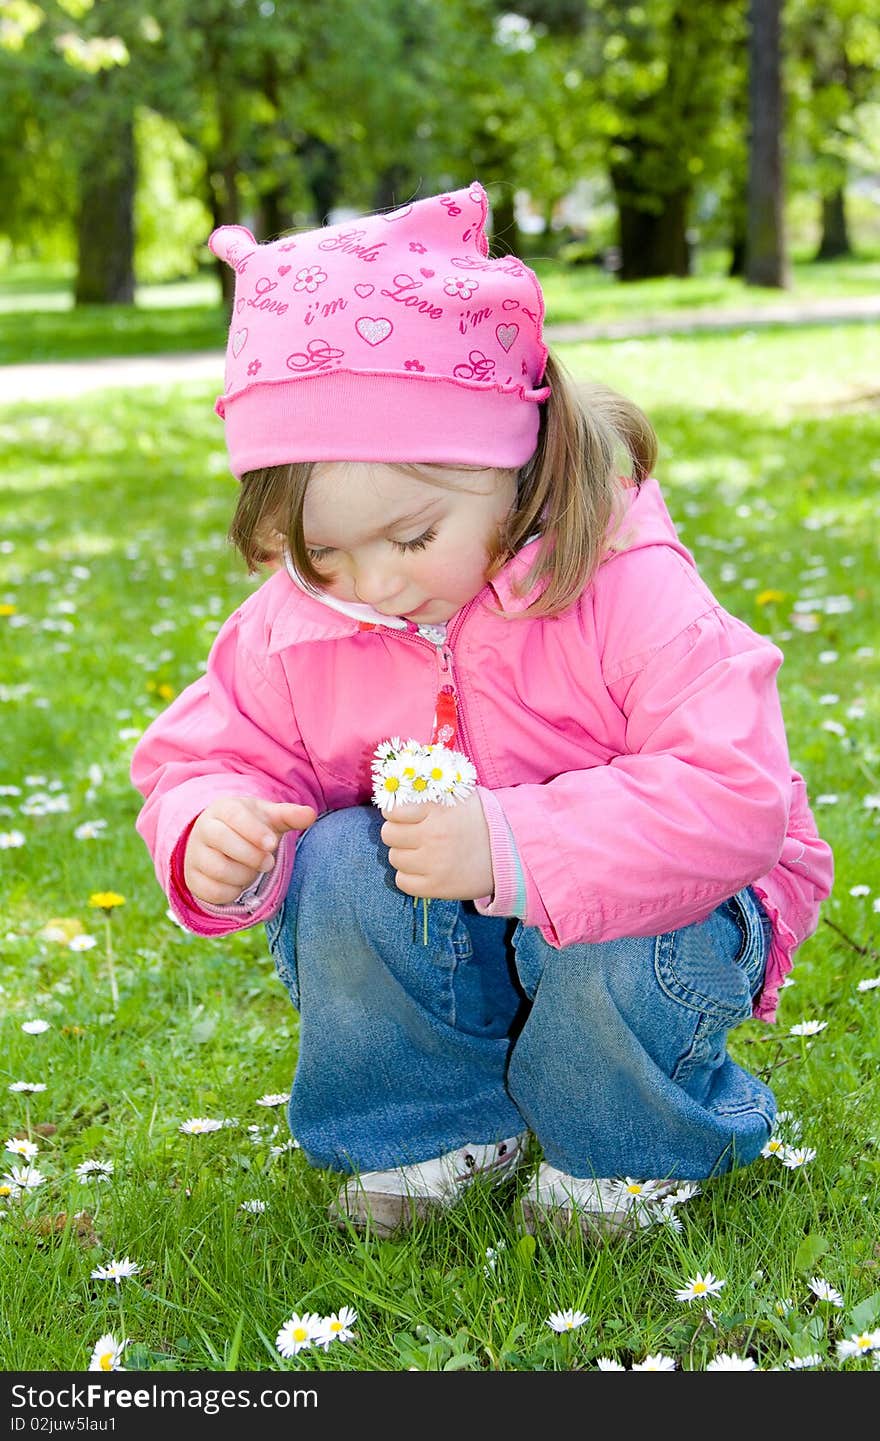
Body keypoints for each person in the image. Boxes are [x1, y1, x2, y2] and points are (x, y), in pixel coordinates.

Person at [130, 181, 833, 1241]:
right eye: (323, 550)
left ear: (511, 462)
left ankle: (624, 1149)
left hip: (658, 923)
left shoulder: (626, 587)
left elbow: (732, 799)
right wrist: (208, 820)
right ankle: (427, 1124)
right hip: (452, 932)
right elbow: (211, 748)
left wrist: (511, 842)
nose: (369, 582)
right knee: (334, 862)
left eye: (411, 538)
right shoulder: (297, 626)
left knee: (620, 927)